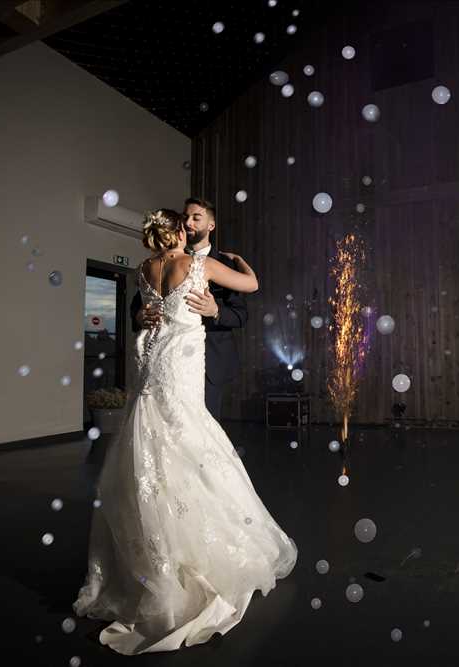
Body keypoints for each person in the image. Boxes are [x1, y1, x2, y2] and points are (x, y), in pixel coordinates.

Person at [73, 208, 297, 655]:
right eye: (185, 224)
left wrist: (153, 315)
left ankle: (151, 552)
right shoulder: (199, 264)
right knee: (190, 436)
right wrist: (242, 263)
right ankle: (196, 549)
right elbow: (251, 285)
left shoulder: (144, 268)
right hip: (181, 363)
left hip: (154, 362)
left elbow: (143, 313)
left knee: (153, 438)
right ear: (177, 231)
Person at [132, 197, 246, 420]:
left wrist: (216, 311)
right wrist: (139, 315)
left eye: (196, 218)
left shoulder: (226, 264)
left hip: (210, 364)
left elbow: (241, 315)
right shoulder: (158, 263)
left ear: (211, 225)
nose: (188, 222)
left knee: (200, 429)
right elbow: (138, 304)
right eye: (185, 217)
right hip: (164, 359)